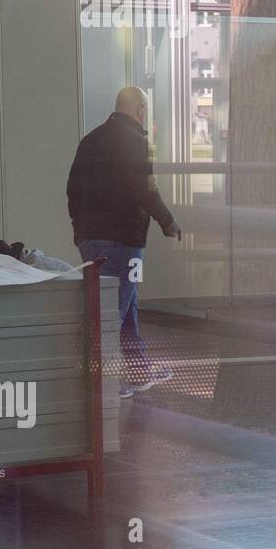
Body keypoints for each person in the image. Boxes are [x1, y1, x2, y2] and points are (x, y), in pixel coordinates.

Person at [67, 87, 181, 398]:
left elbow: (72, 188)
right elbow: (143, 190)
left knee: (125, 307)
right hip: (124, 242)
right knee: (111, 314)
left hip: (91, 240)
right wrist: (167, 221)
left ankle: (139, 372)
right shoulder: (136, 142)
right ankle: (98, 387)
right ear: (141, 110)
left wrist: (80, 229)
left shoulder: (90, 140)